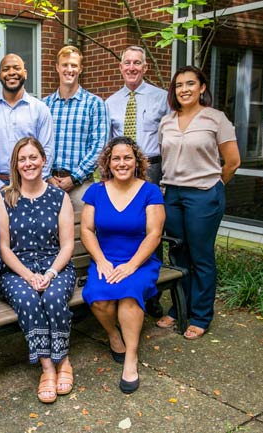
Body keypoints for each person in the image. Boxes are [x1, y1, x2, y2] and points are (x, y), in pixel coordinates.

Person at [156, 66, 241, 340]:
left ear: (202, 87)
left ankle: (201, 314)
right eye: (179, 85)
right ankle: (180, 308)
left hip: (203, 193)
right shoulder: (166, 121)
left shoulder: (216, 119)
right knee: (178, 255)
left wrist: (213, 186)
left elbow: (233, 162)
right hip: (173, 195)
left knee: (201, 256)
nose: (184, 89)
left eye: (190, 83)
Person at [80, 136, 165, 394]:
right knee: (98, 298)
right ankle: (113, 335)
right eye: (116, 158)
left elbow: (154, 234)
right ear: (108, 162)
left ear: (137, 161)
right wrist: (101, 260)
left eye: (127, 157)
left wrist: (131, 265)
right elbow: (86, 229)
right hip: (106, 260)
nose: (122, 163)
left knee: (129, 296)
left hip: (139, 261)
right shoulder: (95, 191)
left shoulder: (150, 191)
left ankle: (131, 358)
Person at [0, 137, 76, 404]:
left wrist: (50, 273)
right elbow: (4, 248)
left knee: (52, 297)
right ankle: (48, 368)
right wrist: (28, 276)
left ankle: (63, 360)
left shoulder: (59, 197)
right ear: (16, 165)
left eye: (33, 157)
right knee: (29, 299)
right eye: (22, 159)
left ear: (43, 160)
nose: (28, 163)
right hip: (17, 270)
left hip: (56, 266)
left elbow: (66, 246)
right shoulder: (5, 198)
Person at [105, 46, 170, 317]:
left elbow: (169, 140)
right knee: (125, 226)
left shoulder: (162, 98)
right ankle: (120, 279)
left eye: (137, 63)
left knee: (153, 231)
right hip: (120, 170)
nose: (132, 67)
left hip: (151, 169)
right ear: (120, 67)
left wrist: (164, 177)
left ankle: (152, 293)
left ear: (145, 67)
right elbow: (108, 144)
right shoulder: (110, 102)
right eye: (127, 63)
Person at [0, 53, 54, 203]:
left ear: (25, 74)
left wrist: (33, 184)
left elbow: (47, 151)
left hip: (32, 185)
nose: (11, 73)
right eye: (6, 69)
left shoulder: (40, 109)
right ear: (0, 75)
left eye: (16, 68)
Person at [44, 45, 108, 210]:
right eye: (65, 65)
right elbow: (38, 145)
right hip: (48, 183)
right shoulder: (44, 105)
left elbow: (98, 147)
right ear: (57, 67)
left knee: (84, 231)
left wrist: (73, 178)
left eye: (74, 65)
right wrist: (48, 177)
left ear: (80, 69)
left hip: (81, 186)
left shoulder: (94, 104)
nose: (69, 69)